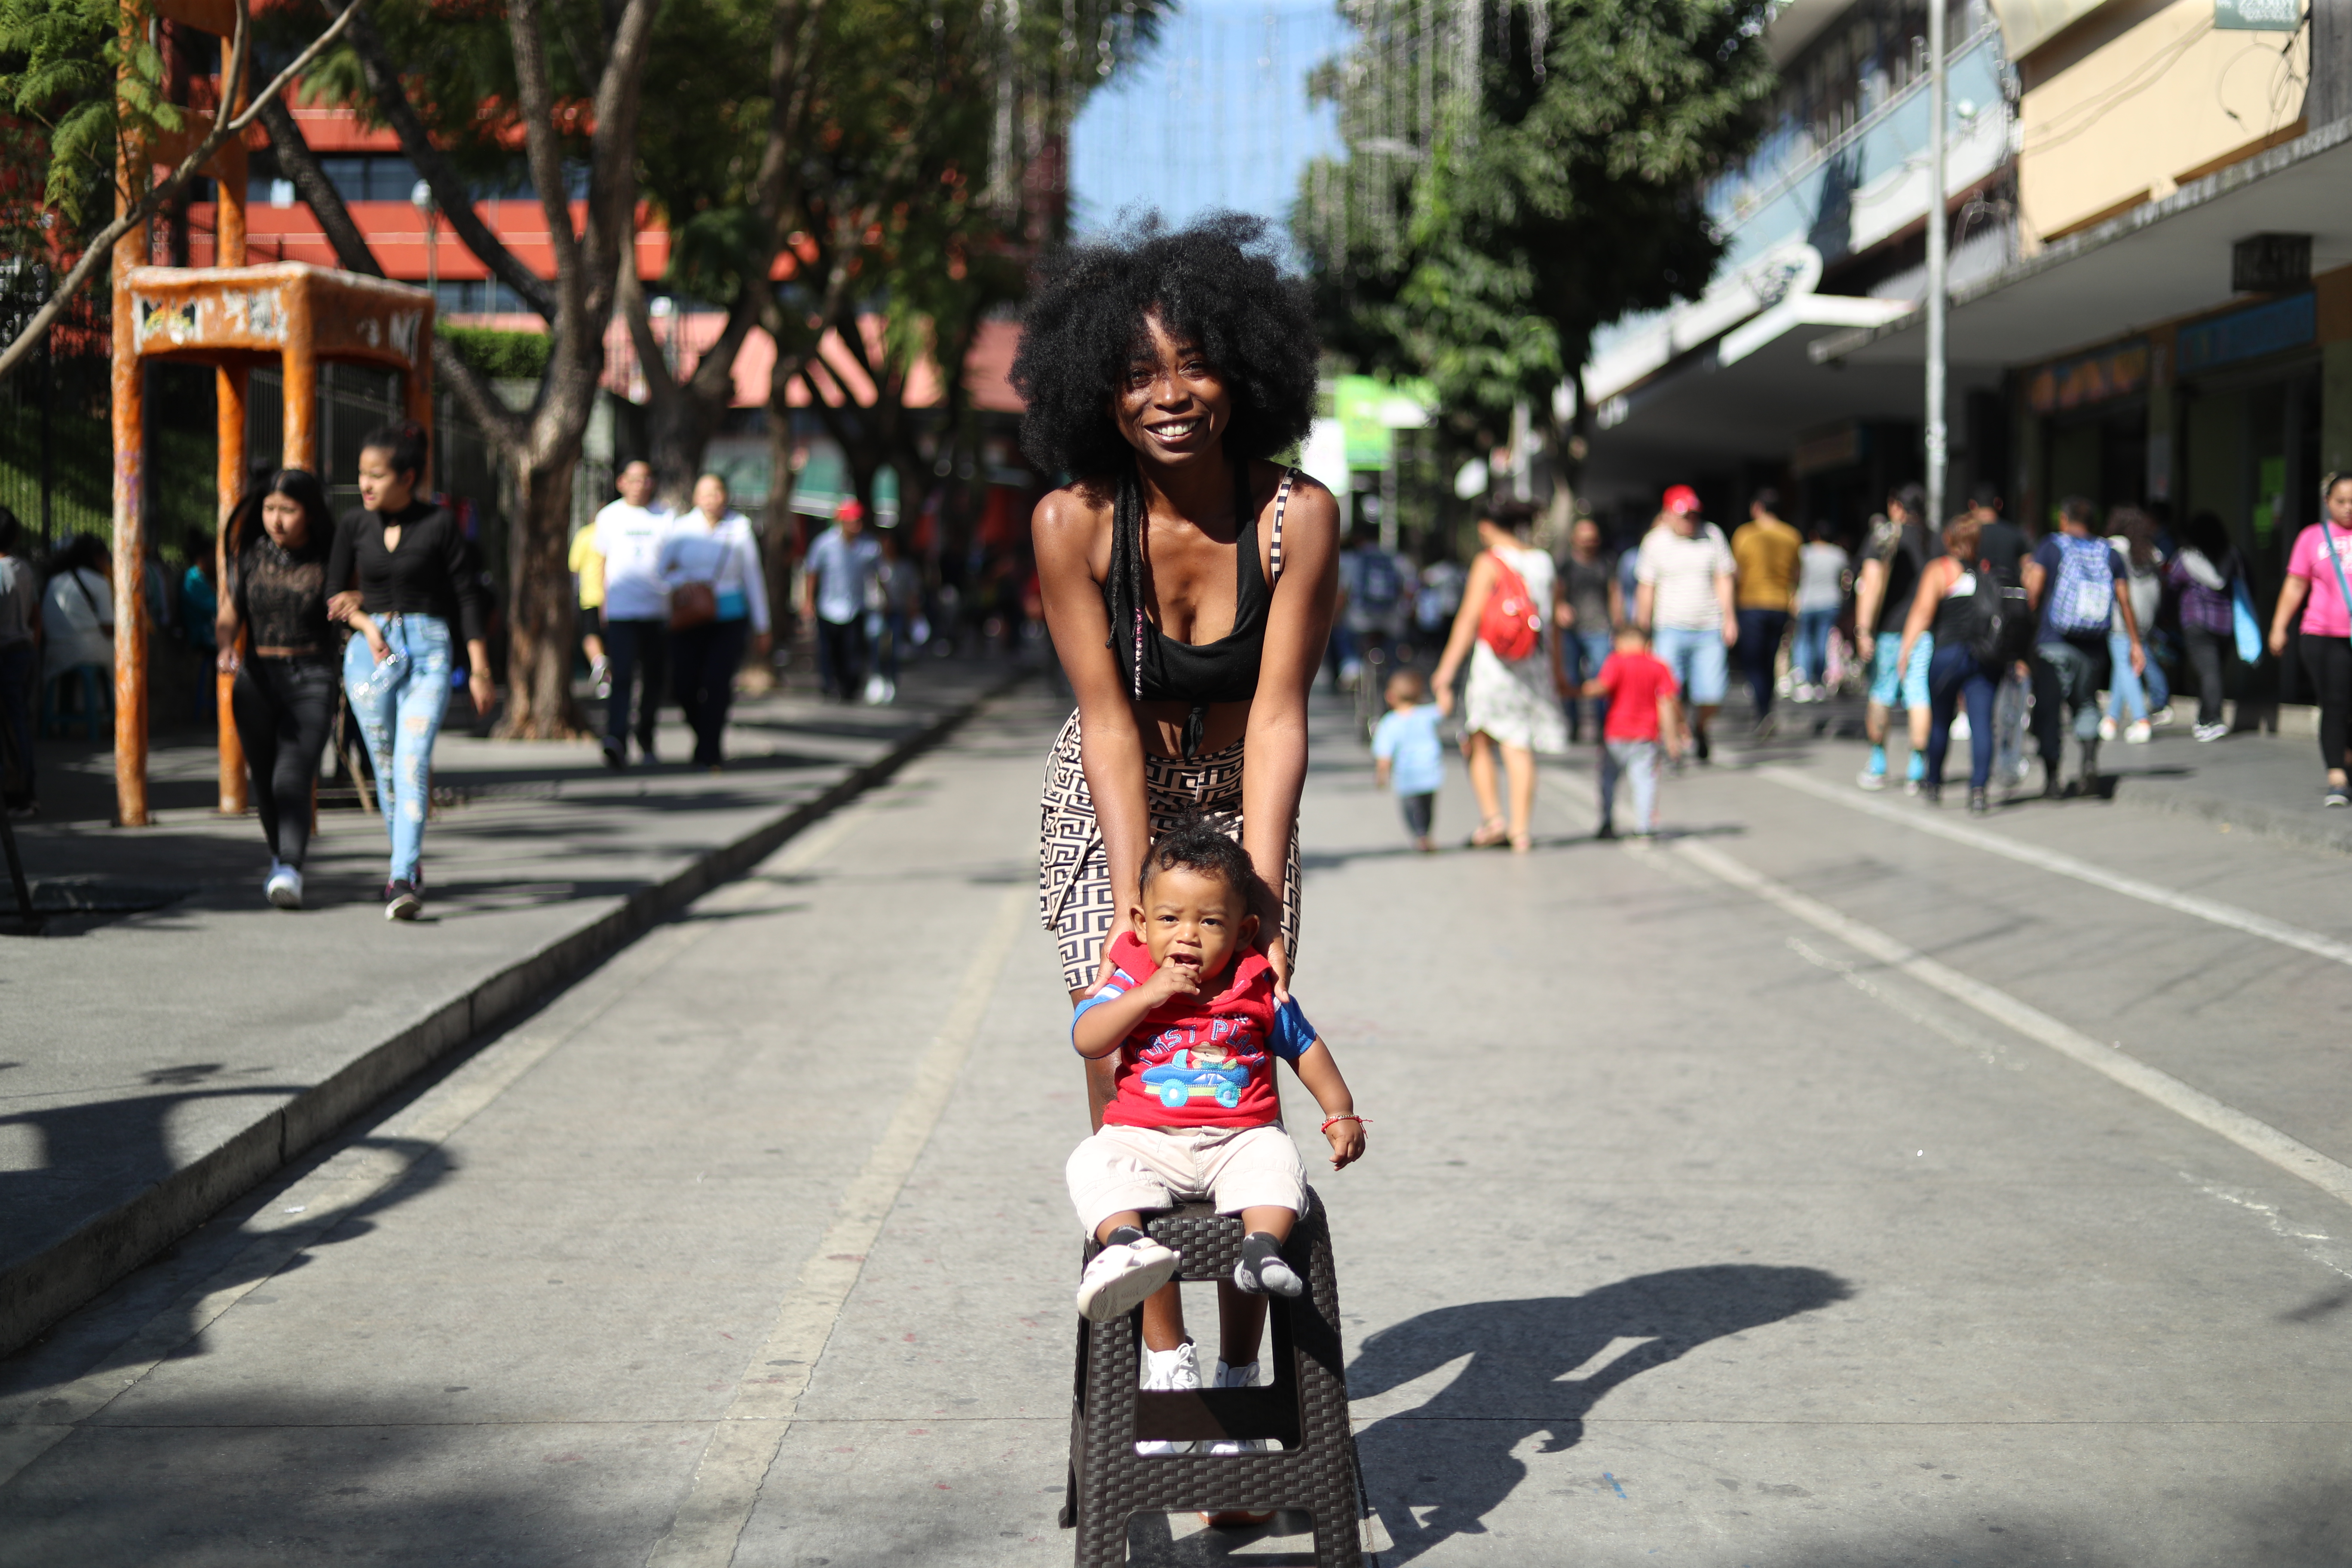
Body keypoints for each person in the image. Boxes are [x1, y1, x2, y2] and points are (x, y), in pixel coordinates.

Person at [1021, 214, 1339, 1446]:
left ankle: (1247, 1384)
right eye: (1138, 373)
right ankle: (1162, 1361)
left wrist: (1254, 891)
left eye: (1193, 365)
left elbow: (1277, 720)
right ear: (1097, 393)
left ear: (1242, 373)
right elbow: (1105, 721)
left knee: (1242, 1044)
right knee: (1130, 1048)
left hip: (1243, 794)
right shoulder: (1073, 523)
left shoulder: (1295, 517)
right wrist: (1140, 906)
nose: (1169, 397)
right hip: (1114, 798)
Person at [1065, 824, 1364, 1453]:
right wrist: (1146, 996)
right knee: (1095, 1159)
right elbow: (1089, 1037)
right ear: (1141, 922)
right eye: (1171, 919)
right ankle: (1126, 1246)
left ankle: (1260, 1251)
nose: (1188, 937)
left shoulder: (1255, 985)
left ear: (1244, 932)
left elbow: (1306, 1050)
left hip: (1236, 1139)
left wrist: (1340, 1111)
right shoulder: (1132, 976)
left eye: (1210, 923)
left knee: (1278, 1160)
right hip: (1147, 1138)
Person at [327, 421, 494, 920]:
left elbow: (468, 596)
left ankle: (401, 873)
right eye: (362, 474)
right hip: (371, 655)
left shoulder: (440, 524)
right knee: (385, 766)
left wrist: (481, 668)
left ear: (408, 477)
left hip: (428, 651)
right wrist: (364, 624)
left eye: (377, 475)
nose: (366, 485)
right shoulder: (354, 524)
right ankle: (407, 862)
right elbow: (333, 594)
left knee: (413, 761)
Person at [217, 469, 347, 909]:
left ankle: (290, 866)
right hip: (256, 680)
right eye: (271, 509)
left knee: (292, 776)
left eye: (288, 510)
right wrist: (224, 647)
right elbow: (230, 613)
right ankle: (281, 859)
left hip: (311, 676)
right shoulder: (250, 556)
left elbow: (356, 602)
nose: (276, 519)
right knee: (266, 781)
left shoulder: (332, 558)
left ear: (309, 514)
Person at [1432, 501, 1569, 852]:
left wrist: (1445, 673)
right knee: (1518, 743)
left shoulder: (1489, 562)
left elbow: (1468, 619)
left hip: (1496, 665)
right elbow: (1551, 623)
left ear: (1487, 526)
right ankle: (1521, 832)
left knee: (1478, 735)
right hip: (1533, 664)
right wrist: (1557, 671)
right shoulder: (1543, 562)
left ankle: (1494, 820)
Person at [2024, 494, 2144, 799]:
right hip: (2093, 647)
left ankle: (2053, 780)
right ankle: (2089, 764)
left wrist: (2026, 630)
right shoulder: (2109, 553)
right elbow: (2125, 600)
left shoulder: (2052, 546)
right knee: (2087, 704)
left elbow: (2034, 591)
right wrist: (2135, 642)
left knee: (2049, 711)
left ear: (2064, 520)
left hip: (2054, 643)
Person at [659, 472, 770, 769]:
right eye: (705, 493)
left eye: (717, 491)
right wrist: (687, 581)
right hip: (691, 615)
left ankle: (710, 748)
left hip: (729, 616)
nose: (712, 498)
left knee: (717, 682)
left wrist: (763, 624)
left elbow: (753, 577)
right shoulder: (681, 529)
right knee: (684, 684)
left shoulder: (740, 528)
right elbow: (661, 570)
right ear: (696, 498)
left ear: (726, 495)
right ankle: (705, 736)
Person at [1898, 515, 2000, 814]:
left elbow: (1922, 613)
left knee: (1941, 720)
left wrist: (1905, 651)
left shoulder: (1940, 570)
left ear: (1949, 539)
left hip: (1948, 655)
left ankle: (1933, 782)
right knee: (1982, 723)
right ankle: (1979, 790)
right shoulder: (1987, 570)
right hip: (1984, 657)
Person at [2266, 472, 2352, 807]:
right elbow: (2296, 585)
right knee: (2335, 704)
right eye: (2341, 501)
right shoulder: (2312, 538)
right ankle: (2337, 777)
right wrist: (2278, 626)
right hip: (2323, 636)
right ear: (2327, 502)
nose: (2348, 508)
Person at [1633, 485, 1735, 762]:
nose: (1690, 521)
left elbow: (1723, 577)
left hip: (1708, 626)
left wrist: (1730, 618)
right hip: (1669, 626)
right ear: (1668, 515)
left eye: (1693, 515)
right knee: (1668, 690)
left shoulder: (1712, 535)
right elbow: (1646, 587)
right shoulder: (1655, 542)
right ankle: (1675, 741)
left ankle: (1700, 727)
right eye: (1683, 516)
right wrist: (1642, 631)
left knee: (1712, 693)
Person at [1853, 484, 1940, 793]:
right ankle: (1917, 768)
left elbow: (1871, 585)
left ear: (1895, 505)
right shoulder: (1935, 539)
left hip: (1889, 631)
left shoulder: (1885, 536)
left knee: (1882, 692)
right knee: (1919, 693)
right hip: (1924, 630)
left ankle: (1878, 763)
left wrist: (1863, 630)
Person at [591, 460, 673, 767]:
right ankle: (616, 739)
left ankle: (646, 736)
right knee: (621, 676)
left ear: (652, 483)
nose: (640, 485)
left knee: (654, 680)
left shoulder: (667, 517)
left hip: (657, 612)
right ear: (622, 482)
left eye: (646, 479)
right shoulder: (609, 516)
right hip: (622, 612)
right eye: (634, 479)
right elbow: (599, 562)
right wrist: (602, 604)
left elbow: (675, 563)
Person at [1584, 622, 1684, 839]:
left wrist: (1577, 690)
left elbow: (1603, 686)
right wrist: (1673, 738)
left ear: (1618, 642)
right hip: (1645, 735)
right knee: (1644, 780)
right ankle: (1644, 826)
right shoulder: (1658, 666)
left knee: (1608, 779)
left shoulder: (1616, 661)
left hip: (1616, 733)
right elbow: (1667, 701)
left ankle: (1607, 821)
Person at [2169, 509, 2248, 743]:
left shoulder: (2185, 559)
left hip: (2197, 622)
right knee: (2212, 673)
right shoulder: (2233, 556)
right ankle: (2204, 719)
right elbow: (2248, 585)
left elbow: (2171, 589)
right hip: (2226, 623)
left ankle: (2213, 719)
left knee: (2209, 673)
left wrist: (2166, 617)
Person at [1730, 487, 1801, 734]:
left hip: (1751, 604)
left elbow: (1736, 572)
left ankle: (1762, 709)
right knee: (1770, 660)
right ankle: (1766, 709)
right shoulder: (1792, 536)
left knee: (1753, 661)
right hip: (1780, 605)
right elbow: (1796, 573)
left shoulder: (1745, 534)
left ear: (1757, 508)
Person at [2101, 507, 2168, 744]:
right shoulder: (2150, 551)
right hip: (2147, 617)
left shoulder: (2114, 547)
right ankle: (2111, 719)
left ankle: (2141, 719)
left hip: (2123, 617)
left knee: (2125, 664)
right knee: (2124, 665)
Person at [803, 496, 880, 701]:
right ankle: (830, 685)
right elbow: (812, 573)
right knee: (830, 651)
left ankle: (851, 687)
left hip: (856, 607)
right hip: (828, 606)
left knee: (853, 651)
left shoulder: (868, 546)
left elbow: (878, 575)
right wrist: (808, 602)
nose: (856, 525)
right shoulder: (824, 544)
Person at [1557, 514, 1620, 741]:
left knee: (1602, 680)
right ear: (1574, 539)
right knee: (1570, 678)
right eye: (1584, 538)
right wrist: (1560, 607)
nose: (1588, 542)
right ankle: (1572, 725)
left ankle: (1603, 727)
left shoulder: (1606, 563)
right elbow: (1556, 593)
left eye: (1592, 538)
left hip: (1600, 628)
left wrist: (1619, 626)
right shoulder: (1565, 565)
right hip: (1571, 631)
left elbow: (1615, 594)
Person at [1370, 667, 1443, 852]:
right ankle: (1426, 833)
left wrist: (1381, 776)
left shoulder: (1389, 723)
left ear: (1391, 696)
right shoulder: (1427, 715)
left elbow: (1384, 757)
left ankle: (1420, 836)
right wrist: (1443, 686)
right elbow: (1445, 708)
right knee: (1427, 808)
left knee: (1411, 810)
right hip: (1430, 773)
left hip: (1407, 777)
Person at [0, 508, 40, 816]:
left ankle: (21, 792)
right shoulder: (24, 569)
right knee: (20, 723)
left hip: (8, 654)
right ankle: (25, 788)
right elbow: (36, 616)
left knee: (13, 728)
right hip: (24, 650)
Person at [1336, 525, 1412, 682]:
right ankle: (1395, 678)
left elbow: (1343, 593)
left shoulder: (1353, 560)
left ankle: (1352, 667)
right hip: (1391, 621)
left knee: (1341, 636)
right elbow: (1410, 590)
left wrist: (1337, 616)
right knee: (1394, 651)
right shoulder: (1397, 559)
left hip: (1360, 620)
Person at [41, 532, 113, 682]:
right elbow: (108, 629)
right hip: (86, 652)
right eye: (106, 559)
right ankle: (114, 704)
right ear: (97, 557)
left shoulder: (55, 580)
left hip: (54, 652)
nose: (107, 564)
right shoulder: (100, 583)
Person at [1791, 521, 1848, 700]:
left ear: (1814, 535)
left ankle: (1803, 679)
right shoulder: (1839, 555)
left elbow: (1795, 576)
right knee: (1823, 641)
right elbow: (1845, 580)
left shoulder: (1804, 553)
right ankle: (1819, 678)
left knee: (1804, 640)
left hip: (1806, 602)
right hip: (1830, 602)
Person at [867, 525, 922, 702]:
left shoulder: (905, 567)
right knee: (877, 645)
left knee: (894, 647)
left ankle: (891, 679)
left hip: (898, 612)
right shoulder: (875, 566)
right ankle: (877, 677)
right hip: (877, 611)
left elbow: (913, 592)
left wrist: (913, 611)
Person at [569, 512, 610, 698]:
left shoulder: (585, 535)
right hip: (614, 597)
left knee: (590, 635)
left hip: (591, 596)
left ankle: (599, 662)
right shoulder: (613, 534)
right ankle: (605, 678)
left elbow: (573, 566)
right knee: (608, 639)